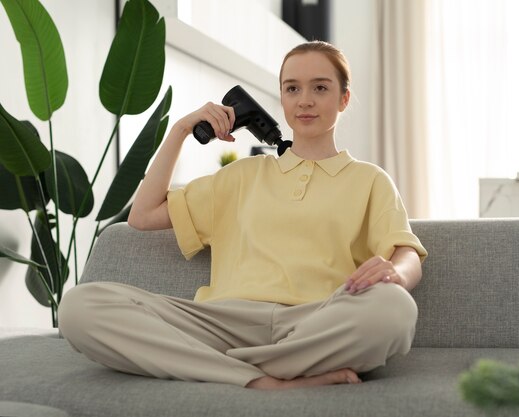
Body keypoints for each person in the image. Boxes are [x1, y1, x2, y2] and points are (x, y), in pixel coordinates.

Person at [58, 41, 428, 390]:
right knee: (79, 307)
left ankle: (221, 369)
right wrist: (181, 130)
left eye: (320, 88)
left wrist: (396, 272)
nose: (305, 102)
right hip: (222, 323)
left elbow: (406, 253)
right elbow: (142, 215)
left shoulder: (370, 180)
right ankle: (267, 379)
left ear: (343, 98)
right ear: (281, 98)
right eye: (292, 89)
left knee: (394, 309)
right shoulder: (241, 175)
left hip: (315, 320)